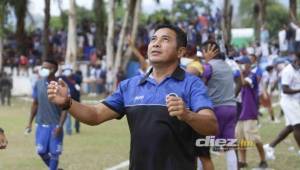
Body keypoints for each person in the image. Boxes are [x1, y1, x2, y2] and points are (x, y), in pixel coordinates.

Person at [48, 24, 218, 170]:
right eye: (153, 39)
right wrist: (68, 103)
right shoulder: (129, 86)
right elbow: (95, 115)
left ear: (180, 51)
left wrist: (187, 115)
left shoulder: (191, 84)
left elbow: (211, 126)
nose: (156, 44)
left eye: (165, 39)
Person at [199, 41, 238, 170]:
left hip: (215, 109)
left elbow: (199, 85)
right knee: (229, 146)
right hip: (231, 107)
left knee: (202, 146)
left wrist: (205, 63)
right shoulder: (227, 65)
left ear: (207, 51)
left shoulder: (208, 66)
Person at [26, 59, 67, 170]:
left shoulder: (60, 85)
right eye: (42, 67)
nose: (42, 69)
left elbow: (65, 108)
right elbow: (35, 104)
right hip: (41, 124)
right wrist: (29, 122)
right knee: (41, 151)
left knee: (54, 153)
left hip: (55, 125)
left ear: (53, 69)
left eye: (45, 67)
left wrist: (60, 126)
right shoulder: (38, 83)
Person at [264, 53, 300, 158]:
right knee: (298, 126)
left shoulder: (298, 69)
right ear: (297, 60)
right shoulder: (288, 71)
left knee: (290, 128)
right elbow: (285, 89)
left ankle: (270, 146)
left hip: (295, 102)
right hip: (288, 101)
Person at [235, 56, 268, 168]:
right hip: (240, 112)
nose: (240, 66)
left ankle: (263, 160)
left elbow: (244, 83)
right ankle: (243, 161)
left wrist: (240, 71)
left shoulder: (252, 76)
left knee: (254, 138)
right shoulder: (240, 76)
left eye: (242, 63)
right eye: (239, 64)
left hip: (249, 110)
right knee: (240, 138)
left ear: (248, 65)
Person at [61, 65, 82, 134]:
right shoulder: (62, 78)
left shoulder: (76, 77)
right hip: (67, 99)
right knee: (67, 115)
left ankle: (77, 128)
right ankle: (68, 130)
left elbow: (80, 82)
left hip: (76, 99)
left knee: (78, 115)